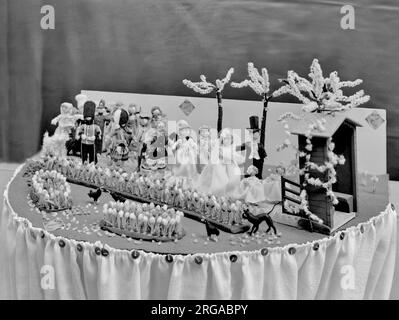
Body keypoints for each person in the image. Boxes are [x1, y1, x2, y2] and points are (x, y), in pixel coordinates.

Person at [196, 128, 244, 197]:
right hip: (221, 165)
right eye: (225, 139)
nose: (227, 141)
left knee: (234, 177)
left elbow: (234, 155)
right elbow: (217, 155)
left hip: (230, 165)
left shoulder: (231, 148)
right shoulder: (220, 148)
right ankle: (219, 191)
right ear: (222, 140)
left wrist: (238, 158)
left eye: (229, 139)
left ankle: (231, 191)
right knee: (220, 177)